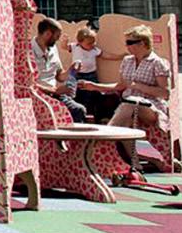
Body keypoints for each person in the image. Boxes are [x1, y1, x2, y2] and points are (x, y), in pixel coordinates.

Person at [78, 24, 172, 164]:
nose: (126, 46)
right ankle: (136, 163)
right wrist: (94, 86)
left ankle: (101, 142)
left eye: (130, 42)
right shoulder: (127, 61)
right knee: (125, 116)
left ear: (142, 43)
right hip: (128, 107)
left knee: (128, 104)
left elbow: (165, 93)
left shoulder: (157, 63)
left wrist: (137, 86)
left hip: (151, 108)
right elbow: (120, 86)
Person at [31, 17, 86, 123]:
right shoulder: (27, 51)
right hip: (38, 96)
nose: (58, 40)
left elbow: (59, 76)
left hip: (55, 94)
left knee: (79, 110)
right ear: (47, 34)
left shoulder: (53, 49)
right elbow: (28, 84)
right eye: (57, 36)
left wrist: (71, 70)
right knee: (74, 111)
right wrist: (54, 90)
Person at [69, 26, 122, 119]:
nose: (92, 45)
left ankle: (93, 114)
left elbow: (106, 55)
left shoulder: (94, 50)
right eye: (89, 43)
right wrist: (64, 41)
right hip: (78, 75)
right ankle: (80, 116)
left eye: (93, 42)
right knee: (78, 95)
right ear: (80, 42)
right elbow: (64, 46)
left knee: (93, 95)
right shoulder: (75, 47)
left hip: (91, 75)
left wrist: (120, 57)